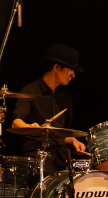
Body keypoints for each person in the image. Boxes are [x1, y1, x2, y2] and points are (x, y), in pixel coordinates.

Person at [12, 43, 86, 176]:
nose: (73, 75)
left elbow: (62, 134)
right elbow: (16, 122)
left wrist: (73, 140)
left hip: (61, 157)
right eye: (71, 70)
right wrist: (30, 127)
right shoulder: (29, 91)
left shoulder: (65, 97)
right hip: (37, 158)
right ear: (57, 67)